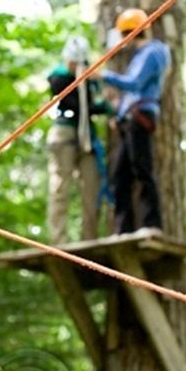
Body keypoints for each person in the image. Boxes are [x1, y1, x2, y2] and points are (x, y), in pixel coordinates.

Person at [96, 8, 171, 236]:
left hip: (140, 118)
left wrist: (103, 75)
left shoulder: (152, 52)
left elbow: (135, 83)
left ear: (128, 34)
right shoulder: (141, 56)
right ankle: (123, 229)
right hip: (131, 119)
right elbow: (133, 90)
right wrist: (118, 115)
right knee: (120, 176)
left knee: (142, 170)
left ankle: (152, 224)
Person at [47, 35, 113, 243]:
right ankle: (59, 240)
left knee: (91, 189)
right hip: (64, 133)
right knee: (60, 189)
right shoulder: (59, 78)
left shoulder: (88, 79)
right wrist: (103, 106)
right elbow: (74, 104)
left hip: (87, 136)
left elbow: (89, 103)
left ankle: (89, 239)